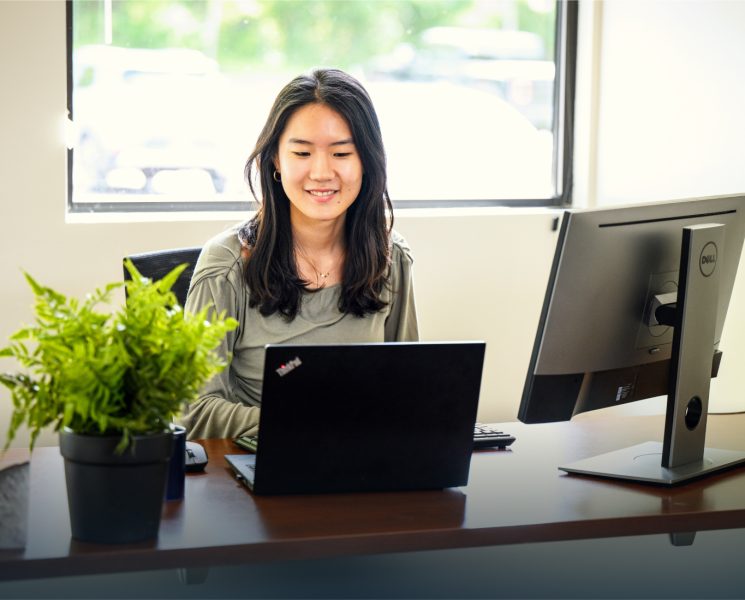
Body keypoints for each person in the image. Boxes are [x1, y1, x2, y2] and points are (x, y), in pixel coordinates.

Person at [181, 68, 419, 439]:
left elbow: (408, 387)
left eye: (341, 152)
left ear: (366, 162)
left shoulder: (391, 256)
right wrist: (303, 426)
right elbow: (193, 410)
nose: (322, 172)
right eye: (302, 152)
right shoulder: (226, 264)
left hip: (361, 469)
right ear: (276, 160)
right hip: (253, 469)